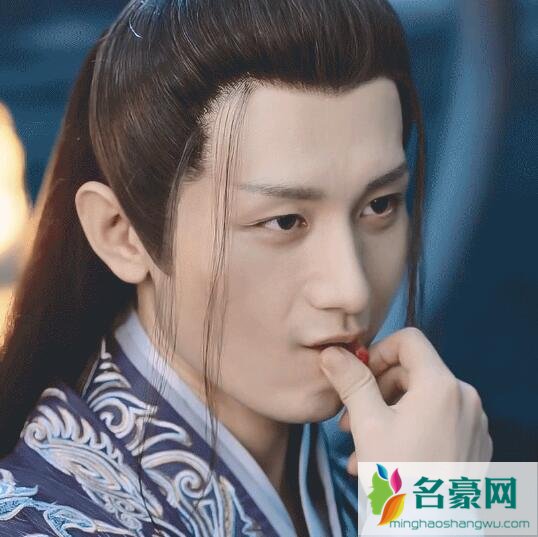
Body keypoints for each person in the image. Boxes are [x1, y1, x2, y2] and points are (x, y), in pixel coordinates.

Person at [0, 0, 493, 535]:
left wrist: (447, 495)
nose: (351, 289)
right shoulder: (35, 521)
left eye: (379, 205)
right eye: (284, 221)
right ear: (122, 234)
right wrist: (434, 513)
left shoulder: (393, 473)